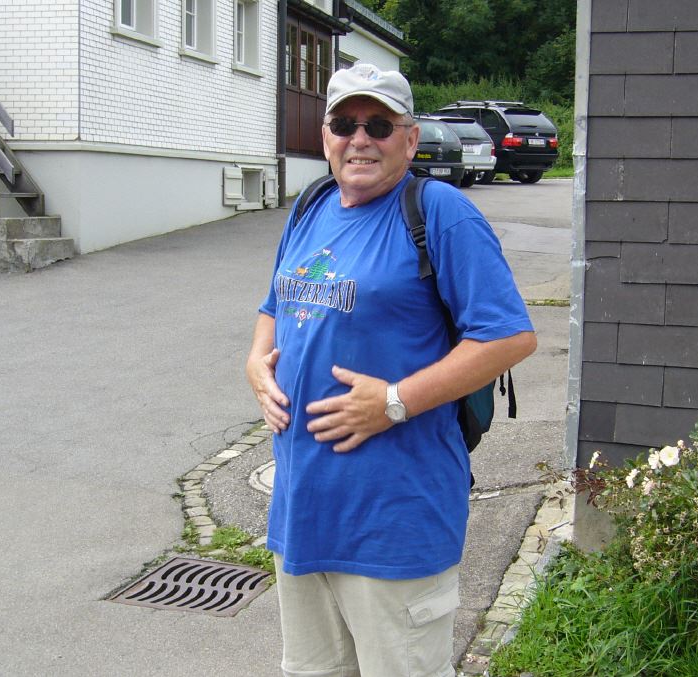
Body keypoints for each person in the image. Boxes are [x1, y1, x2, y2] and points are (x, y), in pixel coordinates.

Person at [245, 62, 537, 677]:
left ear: (410, 139)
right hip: (303, 511)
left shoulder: (441, 213)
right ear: (325, 135)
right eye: (345, 124)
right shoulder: (311, 206)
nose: (360, 139)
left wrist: (394, 401)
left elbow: (508, 336)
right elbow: (275, 305)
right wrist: (256, 363)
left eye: (379, 125)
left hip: (393, 520)